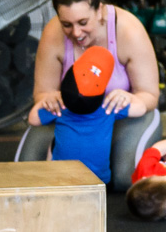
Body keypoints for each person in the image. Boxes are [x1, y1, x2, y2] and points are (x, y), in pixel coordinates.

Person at [15, 0, 161, 191]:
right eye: (67, 24)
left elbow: (150, 95)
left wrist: (132, 98)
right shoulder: (53, 33)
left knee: (125, 179)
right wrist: (49, 99)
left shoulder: (128, 30)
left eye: (83, 22)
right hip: (72, 117)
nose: (76, 32)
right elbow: (42, 93)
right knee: (27, 173)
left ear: (100, 10)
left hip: (121, 115)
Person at [28, 45, 148, 183]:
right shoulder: (107, 106)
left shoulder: (60, 105)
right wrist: (126, 95)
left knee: (54, 142)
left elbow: (33, 118)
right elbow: (141, 108)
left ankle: (51, 170)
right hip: (99, 181)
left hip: (59, 179)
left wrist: (47, 99)